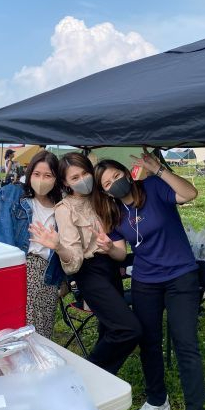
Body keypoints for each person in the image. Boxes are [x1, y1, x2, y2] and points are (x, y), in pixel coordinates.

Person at [93, 149, 205, 410]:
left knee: (185, 343)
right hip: (145, 280)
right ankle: (158, 398)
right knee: (149, 343)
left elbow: (190, 193)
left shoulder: (154, 187)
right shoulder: (114, 213)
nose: (114, 183)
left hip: (180, 275)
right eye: (107, 183)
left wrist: (159, 169)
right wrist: (109, 248)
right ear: (104, 192)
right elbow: (121, 253)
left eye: (116, 176)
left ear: (127, 173)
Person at [29, 152, 141, 375]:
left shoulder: (104, 197)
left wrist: (110, 248)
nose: (82, 180)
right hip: (89, 272)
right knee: (129, 329)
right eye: (74, 177)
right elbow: (73, 262)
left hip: (110, 266)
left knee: (110, 328)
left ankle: (104, 382)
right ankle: (87, 376)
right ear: (65, 183)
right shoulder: (65, 209)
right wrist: (59, 247)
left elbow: (120, 248)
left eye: (84, 173)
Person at [0, 150, 66, 338]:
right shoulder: (14, 194)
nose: (41, 180)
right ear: (29, 174)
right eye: (37, 174)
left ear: (56, 178)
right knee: (15, 329)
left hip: (48, 274)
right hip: (18, 268)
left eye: (48, 175)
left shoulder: (61, 205)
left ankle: (35, 357)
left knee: (40, 330)